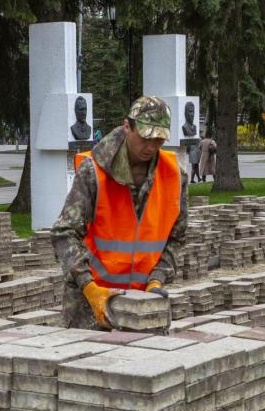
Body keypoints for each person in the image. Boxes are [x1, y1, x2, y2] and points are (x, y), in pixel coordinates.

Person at [51, 96, 187, 330]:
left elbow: (176, 237)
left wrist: (157, 279)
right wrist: (89, 287)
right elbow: (64, 232)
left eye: (159, 140)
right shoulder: (93, 171)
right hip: (91, 301)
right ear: (127, 126)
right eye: (146, 138)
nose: (151, 147)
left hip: (143, 303)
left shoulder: (175, 176)